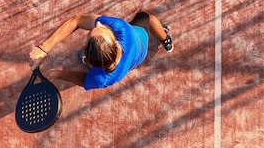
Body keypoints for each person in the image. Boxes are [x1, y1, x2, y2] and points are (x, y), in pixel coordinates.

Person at [29, 11, 173, 90]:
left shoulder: (101, 79)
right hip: (141, 41)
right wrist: (45, 49)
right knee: (146, 17)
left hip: (135, 53)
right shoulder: (122, 29)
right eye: (101, 29)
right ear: (116, 45)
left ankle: (165, 39)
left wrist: (58, 73)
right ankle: (165, 39)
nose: (98, 23)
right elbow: (77, 20)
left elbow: (85, 80)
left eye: (98, 28)